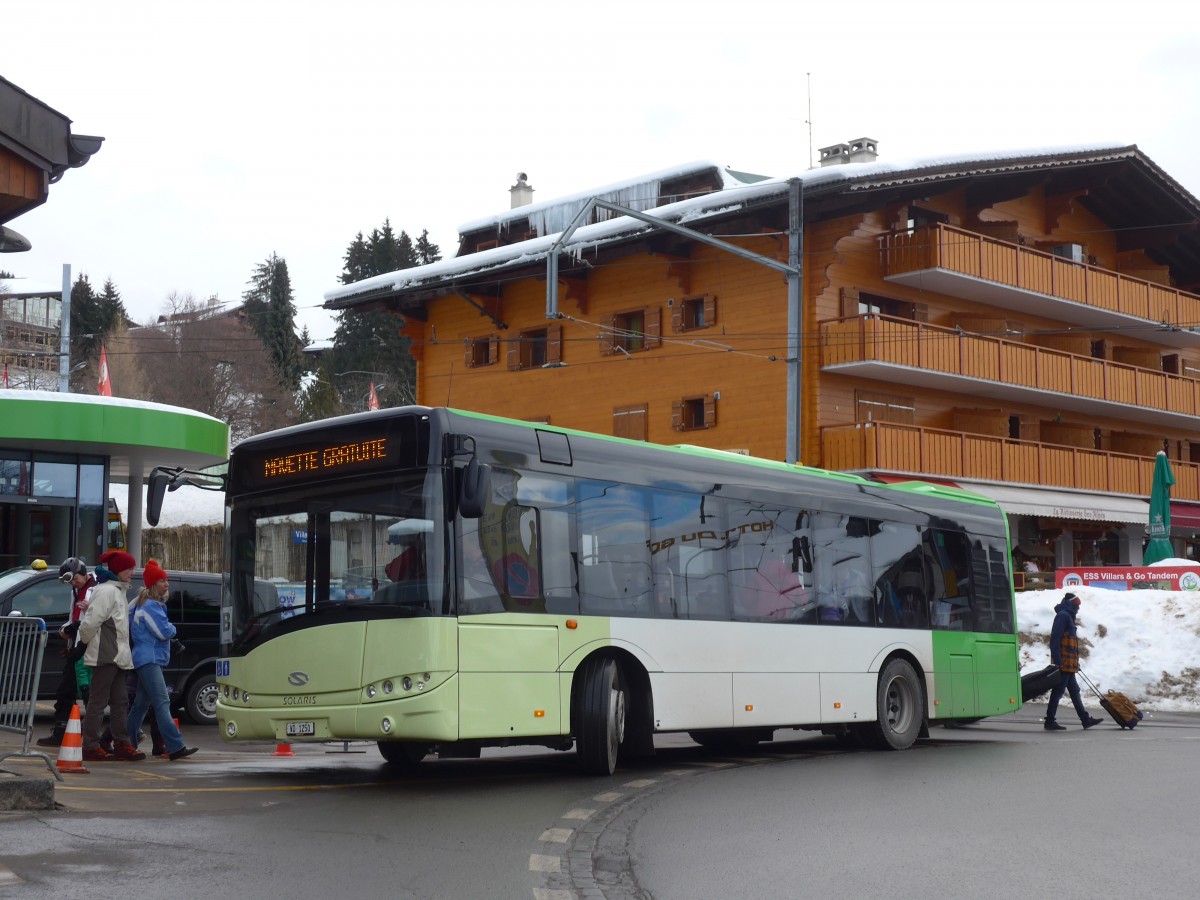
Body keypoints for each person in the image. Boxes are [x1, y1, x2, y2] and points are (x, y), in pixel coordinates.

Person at [76, 550, 145, 761]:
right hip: (106, 655)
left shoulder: (117, 590)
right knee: (98, 702)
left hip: (116, 656)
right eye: (129, 568)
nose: (133, 572)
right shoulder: (107, 591)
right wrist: (82, 644)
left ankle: (122, 743)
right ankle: (90, 745)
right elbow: (91, 621)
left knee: (120, 701)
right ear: (117, 570)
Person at [127, 560, 198, 761]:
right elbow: (164, 631)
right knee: (162, 702)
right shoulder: (150, 606)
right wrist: (173, 629)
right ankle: (176, 747)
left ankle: (126, 742)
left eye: (166, 580)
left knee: (140, 705)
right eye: (161, 581)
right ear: (152, 585)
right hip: (149, 659)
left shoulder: (145, 604)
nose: (166, 584)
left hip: (145, 659)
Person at [36, 557, 95, 747]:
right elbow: (73, 616)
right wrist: (66, 629)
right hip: (77, 646)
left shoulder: (97, 587)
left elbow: (96, 616)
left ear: (83, 572)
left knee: (93, 694)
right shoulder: (76, 591)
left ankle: (99, 737)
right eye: (70, 582)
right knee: (66, 691)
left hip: (92, 647)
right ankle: (61, 732)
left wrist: (77, 626)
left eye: (74, 579)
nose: (73, 583)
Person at [1044, 592, 1104, 731]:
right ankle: (1049, 721)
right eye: (1076, 604)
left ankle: (1085, 719)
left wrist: (1075, 662)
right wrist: (1058, 661)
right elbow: (1055, 640)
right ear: (1069, 603)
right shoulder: (1063, 616)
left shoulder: (1068, 616)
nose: (1078, 608)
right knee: (1058, 691)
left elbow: (1070, 643)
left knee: (1074, 691)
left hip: (1069, 663)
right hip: (1064, 663)